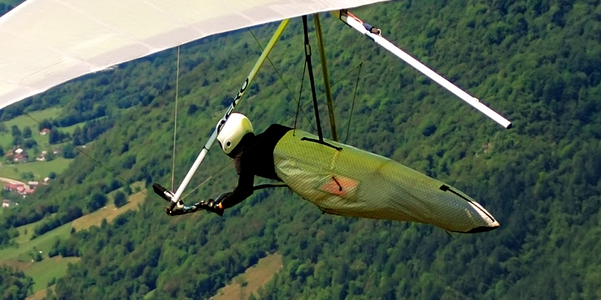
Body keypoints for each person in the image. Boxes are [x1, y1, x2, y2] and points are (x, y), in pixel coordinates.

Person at [172, 112, 498, 233]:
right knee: (379, 181)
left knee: (368, 194)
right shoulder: (273, 130)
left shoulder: (246, 159)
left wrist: (221, 204)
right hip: (330, 162)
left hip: (325, 181)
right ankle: (432, 201)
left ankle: (439, 211)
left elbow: (243, 190)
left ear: (230, 145)